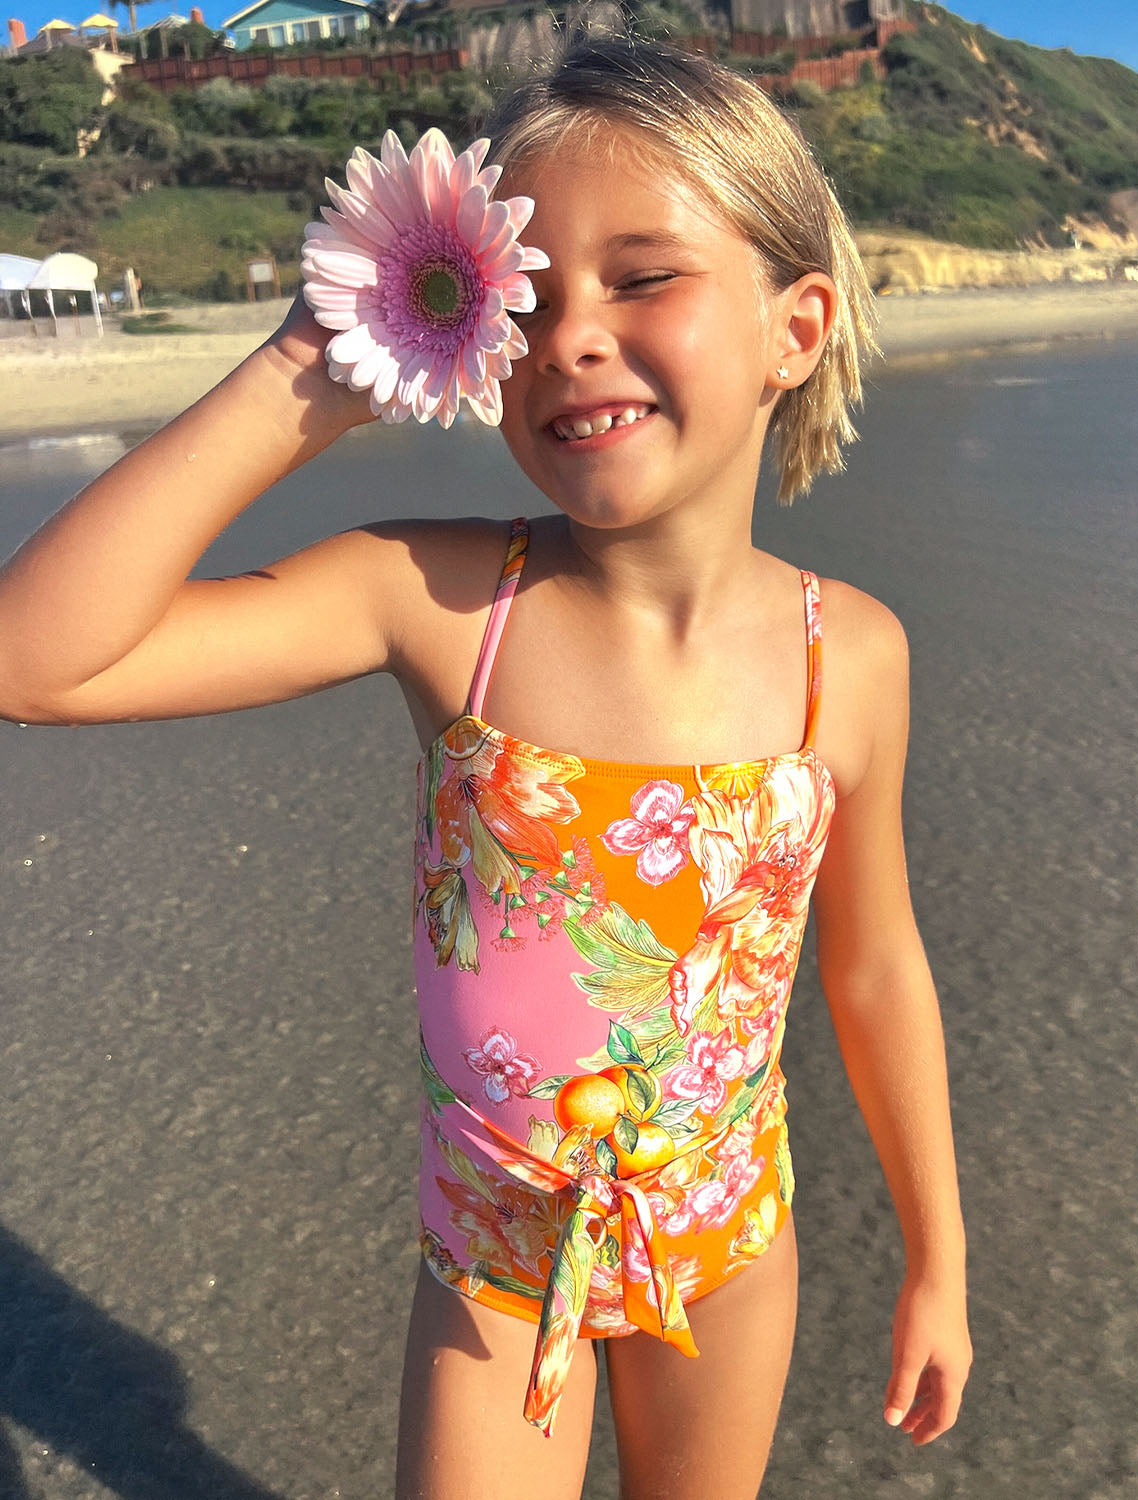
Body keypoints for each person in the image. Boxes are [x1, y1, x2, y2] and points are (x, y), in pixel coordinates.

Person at [0, 36, 971, 1500]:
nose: (571, 333)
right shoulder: (439, 599)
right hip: (499, 1254)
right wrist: (308, 373)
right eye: (529, 298)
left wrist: (936, 1260)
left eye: (642, 278)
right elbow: (36, 662)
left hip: (726, 1243)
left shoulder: (857, 657)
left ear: (796, 326)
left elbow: (875, 967)